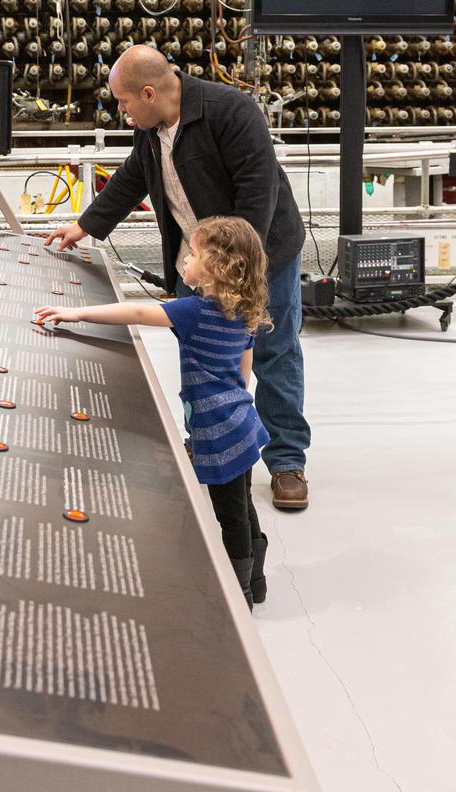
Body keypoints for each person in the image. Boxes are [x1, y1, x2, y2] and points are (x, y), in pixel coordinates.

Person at [45, 45, 311, 510]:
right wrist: (86, 225)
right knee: (206, 356)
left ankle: (286, 460)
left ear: (149, 93)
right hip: (200, 262)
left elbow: (258, 194)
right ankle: (208, 440)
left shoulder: (231, 112)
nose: (121, 112)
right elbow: (132, 178)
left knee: (273, 353)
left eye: (125, 103)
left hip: (262, 255)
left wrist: (242, 276)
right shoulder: (151, 130)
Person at [37, 216, 271, 609]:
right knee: (243, 504)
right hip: (243, 423)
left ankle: (240, 596)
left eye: (193, 254)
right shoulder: (244, 309)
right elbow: (245, 371)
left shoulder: (196, 311)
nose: (185, 261)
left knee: (229, 514)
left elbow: (141, 313)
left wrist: (76, 314)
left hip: (218, 431)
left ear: (216, 266)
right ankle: (258, 581)